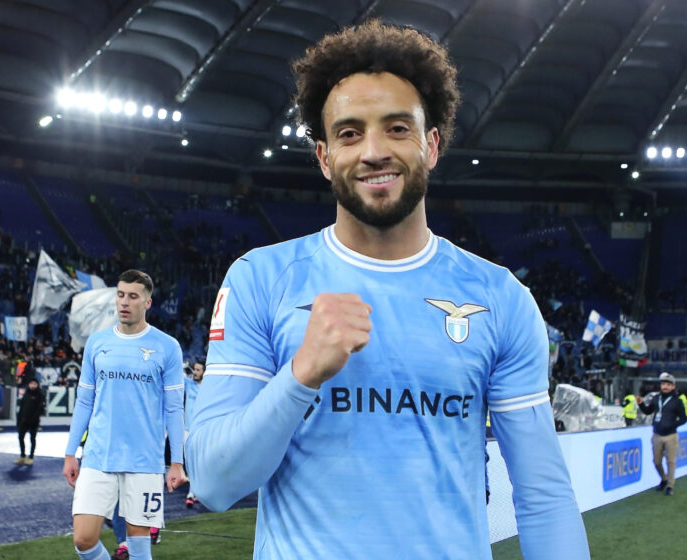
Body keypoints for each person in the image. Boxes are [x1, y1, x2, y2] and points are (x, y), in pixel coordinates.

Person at [187, 20, 589, 559]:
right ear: (324, 157)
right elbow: (213, 482)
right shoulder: (261, 279)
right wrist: (301, 374)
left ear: (432, 145)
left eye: (397, 128)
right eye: (349, 133)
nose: (374, 151)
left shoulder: (501, 298)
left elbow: (544, 497)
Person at [62, 269, 187, 560]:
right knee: (83, 540)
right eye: (120, 295)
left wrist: (177, 462)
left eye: (133, 296)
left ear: (147, 303)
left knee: (138, 547)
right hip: (98, 457)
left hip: (144, 461)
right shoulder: (97, 342)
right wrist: (70, 453)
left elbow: (174, 408)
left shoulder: (167, 347)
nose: (124, 302)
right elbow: (84, 401)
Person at [637, 373, 687, 496]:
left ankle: (670, 485)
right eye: (663, 384)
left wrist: (672, 425)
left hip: (671, 435)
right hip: (657, 435)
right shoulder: (656, 398)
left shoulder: (677, 401)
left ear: (673, 386)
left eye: (668, 385)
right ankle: (664, 479)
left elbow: (683, 418)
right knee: (656, 461)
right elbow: (648, 411)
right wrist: (641, 404)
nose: (665, 386)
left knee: (671, 462)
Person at [183, 361, 204, 508]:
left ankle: (192, 493)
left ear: (204, 372)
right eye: (194, 369)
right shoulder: (189, 385)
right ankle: (196, 491)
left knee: (196, 461)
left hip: (200, 430)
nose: (195, 372)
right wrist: (184, 367)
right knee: (189, 461)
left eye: (198, 370)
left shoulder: (208, 389)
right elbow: (177, 376)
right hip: (186, 429)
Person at [14, 374, 45, 465]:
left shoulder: (40, 395)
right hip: (24, 421)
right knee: (20, 437)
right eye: (31, 383)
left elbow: (40, 409)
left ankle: (31, 457)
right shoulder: (26, 394)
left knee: (32, 439)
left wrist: (33, 419)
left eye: (34, 384)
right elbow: (22, 407)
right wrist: (19, 419)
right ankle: (22, 456)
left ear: (37, 385)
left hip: (33, 422)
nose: (32, 385)